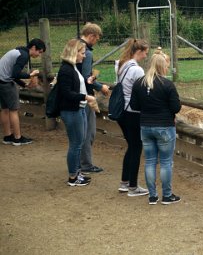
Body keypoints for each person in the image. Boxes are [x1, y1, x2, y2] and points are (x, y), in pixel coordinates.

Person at [130, 49, 182, 205]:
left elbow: (134, 105)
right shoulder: (167, 84)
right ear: (163, 66)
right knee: (166, 162)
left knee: (150, 161)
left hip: (145, 126)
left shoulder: (139, 83)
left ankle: (152, 196)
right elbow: (176, 107)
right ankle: (167, 195)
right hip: (165, 127)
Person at [58, 39, 96, 186]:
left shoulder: (73, 67)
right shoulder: (66, 70)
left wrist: (88, 83)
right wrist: (85, 96)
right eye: (82, 53)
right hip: (71, 111)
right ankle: (73, 177)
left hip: (79, 109)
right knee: (76, 143)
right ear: (74, 52)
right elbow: (67, 93)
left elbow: (77, 87)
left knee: (79, 142)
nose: (84, 56)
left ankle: (77, 172)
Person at [115, 38, 149, 197]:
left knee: (131, 146)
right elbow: (142, 93)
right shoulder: (137, 70)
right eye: (145, 53)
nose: (145, 56)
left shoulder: (123, 65)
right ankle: (133, 187)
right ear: (139, 52)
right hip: (132, 113)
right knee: (136, 148)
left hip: (122, 111)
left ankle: (124, 182)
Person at [77, 22, 110, 174]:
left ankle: (78, 162)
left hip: (74, 95)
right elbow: (85, 77)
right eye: (96, 39)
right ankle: (86, 164)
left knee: (79, 131)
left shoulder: (73, 46)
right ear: (91, 36)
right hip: (85, 96)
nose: (96, 41)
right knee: (89, 131)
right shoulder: (86, 53)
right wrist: (100, 87)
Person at [0, 38, 45, 146]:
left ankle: (7, 136)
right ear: (33, 48)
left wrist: (24, 84)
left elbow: (11, 73)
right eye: (39, 52)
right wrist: (30, 75)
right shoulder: (24, 56)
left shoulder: (18, 51)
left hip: (1, 81)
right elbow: (15, 74)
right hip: (5, 83)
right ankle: (17, 138)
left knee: (5, 109)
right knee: (13, 110)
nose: (39, 55)